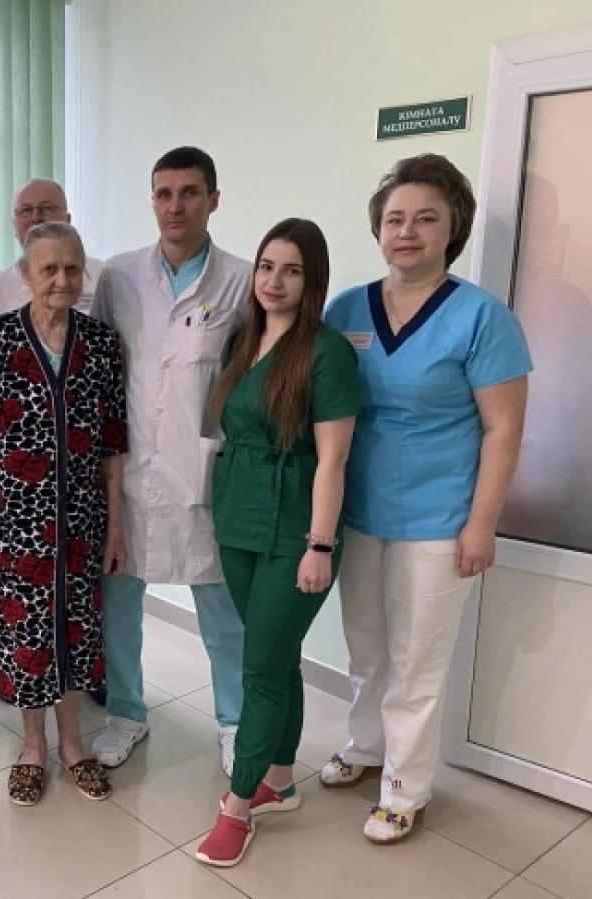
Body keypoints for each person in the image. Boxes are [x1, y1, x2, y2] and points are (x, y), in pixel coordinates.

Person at [322, 154, 531, 843]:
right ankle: (365, 745)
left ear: (452, 229)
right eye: (395, 219)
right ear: (378, 229)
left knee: (417, 661)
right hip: (359, 511)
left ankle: (404, 787)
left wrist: (482, 523)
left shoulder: (482, 317)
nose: (407, 232)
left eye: (425, 219)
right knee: (366, 647)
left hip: (440, 520)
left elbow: (503, 429)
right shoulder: (346, 309)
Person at [193, 219, 358, 866]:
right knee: (278, 658)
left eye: (292, 270)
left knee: (258, 669)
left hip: (296, 529)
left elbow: (333, 457)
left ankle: (237, 808)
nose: (274, 280)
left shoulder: (327, 352)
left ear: (311, 280)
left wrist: (320, 545)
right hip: (237, 519)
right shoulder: (244, 341)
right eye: (266, 266)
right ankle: (281, 780)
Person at [90, 146, 251, 773]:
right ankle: (126, 713)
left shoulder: (240, 281)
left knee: (223, 613)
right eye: (164, 193)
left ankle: (234, 722)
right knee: (119, 605)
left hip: (203, 472)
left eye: (189, 192)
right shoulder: (120, 276)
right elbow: (101, 365)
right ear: (152, 201)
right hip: (127, 473)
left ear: (214, 199)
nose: (175, 205)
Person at [0, 222, 128, 805]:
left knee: (75, 633)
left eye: (72, 268)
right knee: (26, 635)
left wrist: (115, 529)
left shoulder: (101, 344)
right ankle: (32, 746)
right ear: (26, 274)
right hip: (14, 522)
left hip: (81, 520)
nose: (62, 279)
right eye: (49, 268)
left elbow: (112, 445)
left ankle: (73, 745)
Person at [0, 179, 104, 321]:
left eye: (47, 208)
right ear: (14, 225)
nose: (36, 218)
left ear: (68, 220)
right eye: (26, 210)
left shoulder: (102, 276)